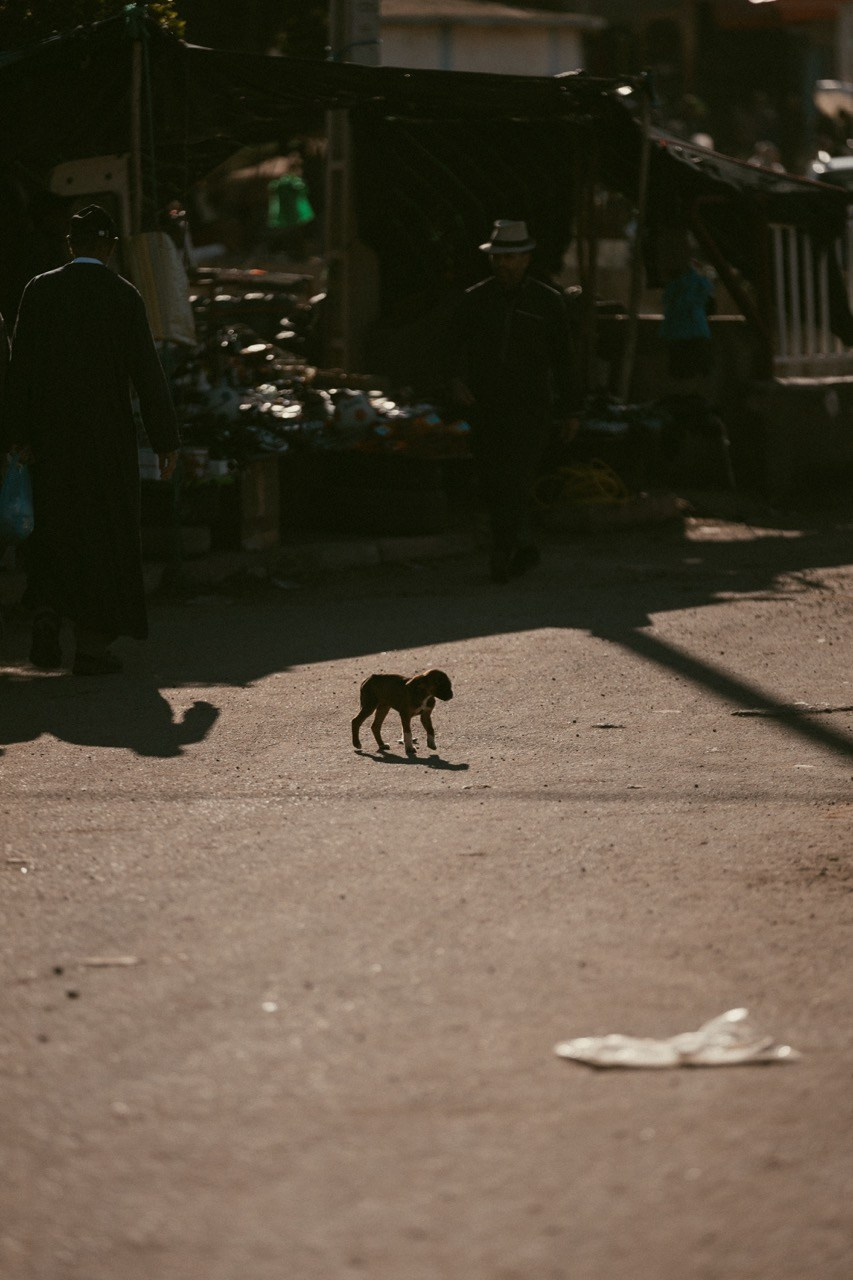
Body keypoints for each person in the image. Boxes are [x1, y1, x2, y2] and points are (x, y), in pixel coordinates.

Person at [1, 204, 179, 675]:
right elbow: (147, 372)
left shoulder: (39, 290)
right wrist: (166, 440)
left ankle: (45, 614)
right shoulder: (123, 296)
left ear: (70, 245)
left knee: (54, 530)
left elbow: (20, 370)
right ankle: (91, 646)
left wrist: (17, 436)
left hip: (48, 442)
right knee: (104, 537)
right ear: (110, 247)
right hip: (106, 444)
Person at [448, 219, 577, 582]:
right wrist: (455, 380)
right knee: (493, 480)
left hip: (531, 406)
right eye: (499, 258)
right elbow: (450, 348)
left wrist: (570, 410)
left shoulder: (548, 302)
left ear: (526, 258)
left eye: (512, 257)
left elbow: (565, 360)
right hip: (486, 406)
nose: (505, 264)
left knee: (516, 478)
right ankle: (518, 547)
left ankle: (506, 551)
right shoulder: (475, 299)